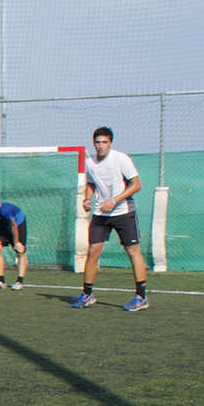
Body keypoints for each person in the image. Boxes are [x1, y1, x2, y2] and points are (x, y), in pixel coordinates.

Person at [73, 126, 150, 311]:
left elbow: (136, 184)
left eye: (104, 142)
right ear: (93, 144)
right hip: (101, 213)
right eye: (97, 142)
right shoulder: (90, 163)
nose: (101, 146)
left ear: (111, 143)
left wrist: (114, 200)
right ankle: (87, 294)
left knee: (133, 251)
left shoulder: (121, 159)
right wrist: (87, 199)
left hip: (123, 212)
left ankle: (141, 297)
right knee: (93, 250)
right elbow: (90, 184)